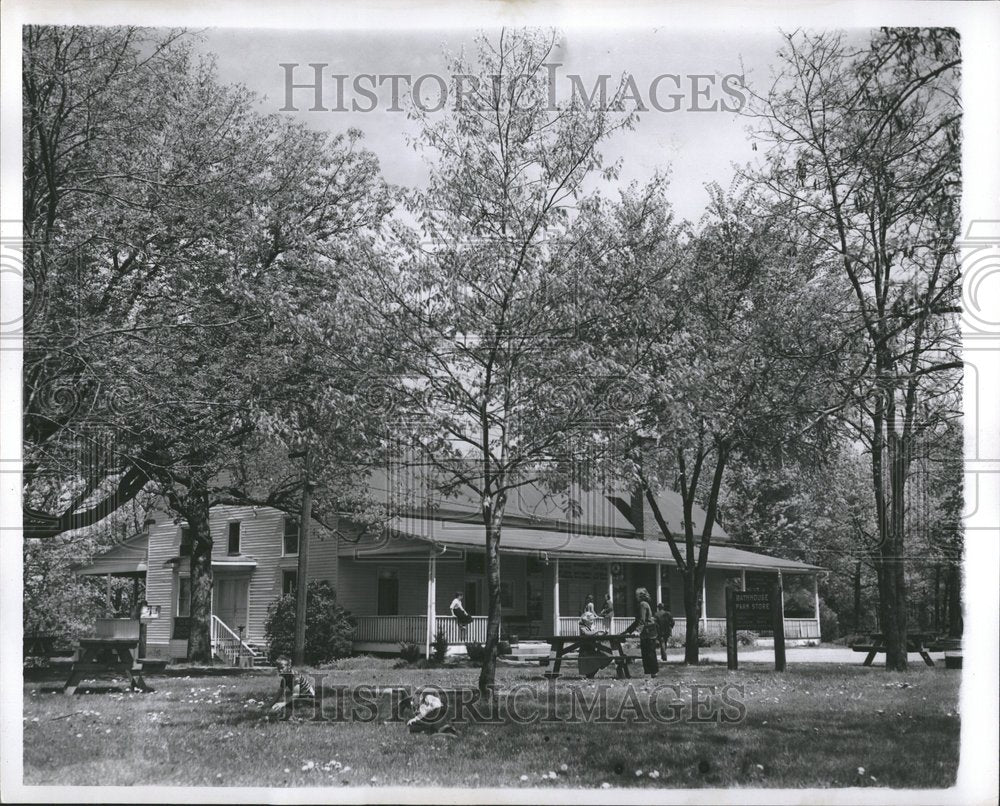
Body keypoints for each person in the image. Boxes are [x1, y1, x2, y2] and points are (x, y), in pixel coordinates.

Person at [623, 587, 658, 677]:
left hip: (648, 632)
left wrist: (638, 631)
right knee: (647, 652)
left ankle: (653, 673)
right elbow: (637, 621)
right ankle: (651, 673)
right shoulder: (643, 604)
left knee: (649, 653)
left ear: (641, 596)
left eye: (636, 595)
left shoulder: (642, 604)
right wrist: (628, 631)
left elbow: (642, 620)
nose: (635, 597)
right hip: (647, 632)